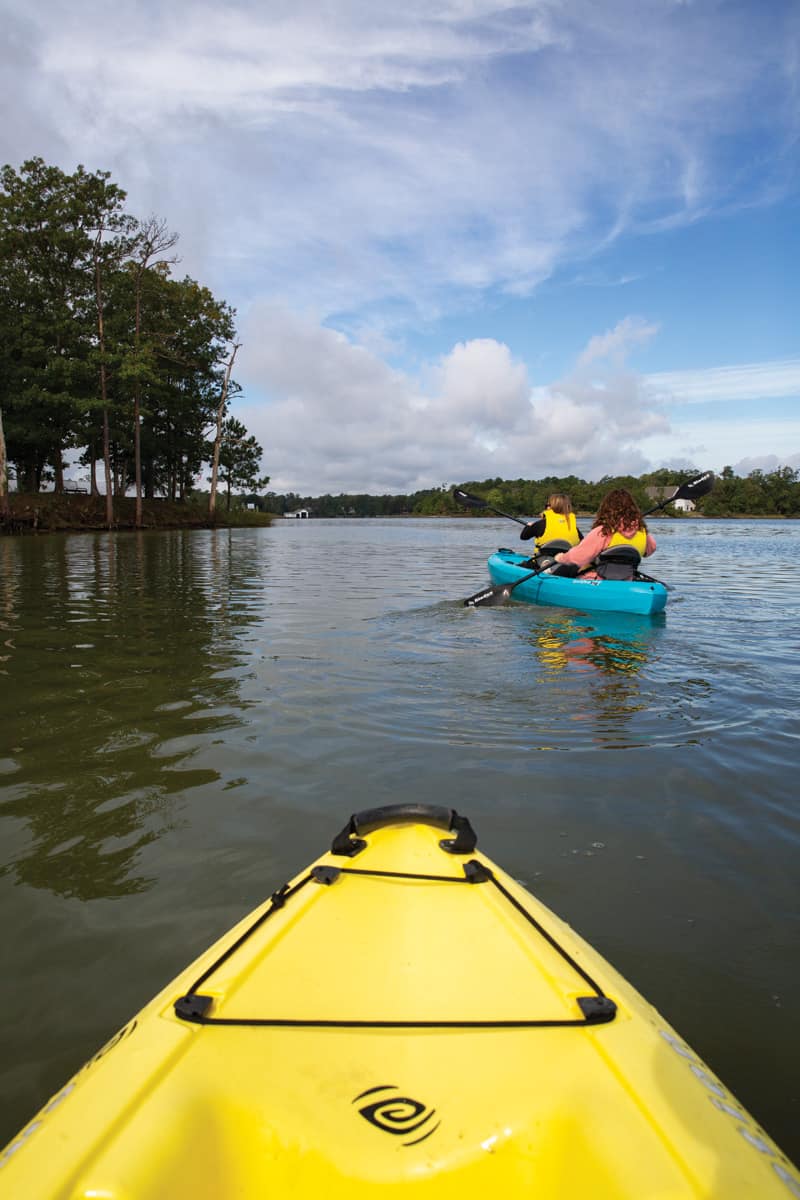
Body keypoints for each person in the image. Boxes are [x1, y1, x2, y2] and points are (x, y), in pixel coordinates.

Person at [551, 488, 656, 578]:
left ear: (606, 509)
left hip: (599, 579)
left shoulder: (604, 531)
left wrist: (561, 558)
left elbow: (578, 557)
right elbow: (650, 550)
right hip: (627, 578)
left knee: (569, 567)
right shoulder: (642, 532)